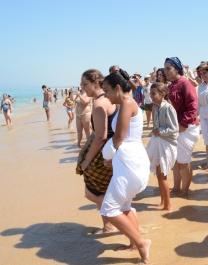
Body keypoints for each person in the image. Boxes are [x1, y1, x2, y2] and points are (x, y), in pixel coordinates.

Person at [101, 72, 151, 264]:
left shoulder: (128, 103)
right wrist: (113, 158)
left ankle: (141, 242)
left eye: (107, 91)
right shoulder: (125, 105)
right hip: (128, 160)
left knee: (108, 209)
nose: (106, 95)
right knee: (125, 206)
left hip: (129, 161)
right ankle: (134, 244)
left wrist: (107, 155)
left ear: (117, 88)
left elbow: (120, 137)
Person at [76, 69, 119, 236]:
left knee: (92, 192)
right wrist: (83, 149)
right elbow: (96, 133)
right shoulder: (106, 100)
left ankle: (117, 221)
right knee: (104, 190)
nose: (83, 88)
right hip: (110, 150)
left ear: (95, 82)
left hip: (104, 152)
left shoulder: (99, 103)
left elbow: (100, 136)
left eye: (85, 84)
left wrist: (87, 160)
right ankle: (110, 224)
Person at [165, 57, 200, 196]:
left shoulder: (185, 83)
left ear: (177, 68)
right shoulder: (170, 86)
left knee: (184, 161)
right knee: (175, 161)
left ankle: (185, 190)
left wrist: (183, 124)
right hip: (175, 127)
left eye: (169, 68)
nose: (166, 71)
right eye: (165, 68)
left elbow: (193, 106)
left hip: (186, 127)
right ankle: (176, 187)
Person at [145, 82, 179, 210]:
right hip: (159, 141)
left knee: (163, 174)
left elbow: (174, 128)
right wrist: (156, 131)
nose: (151, 96)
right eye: (150, 94)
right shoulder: (157, 107)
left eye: (154, 94)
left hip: (167, 143)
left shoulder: (167, 108)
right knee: (159, 175)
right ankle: (163, 201)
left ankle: (168, 205)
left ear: (162, 93)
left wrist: (159, 131)